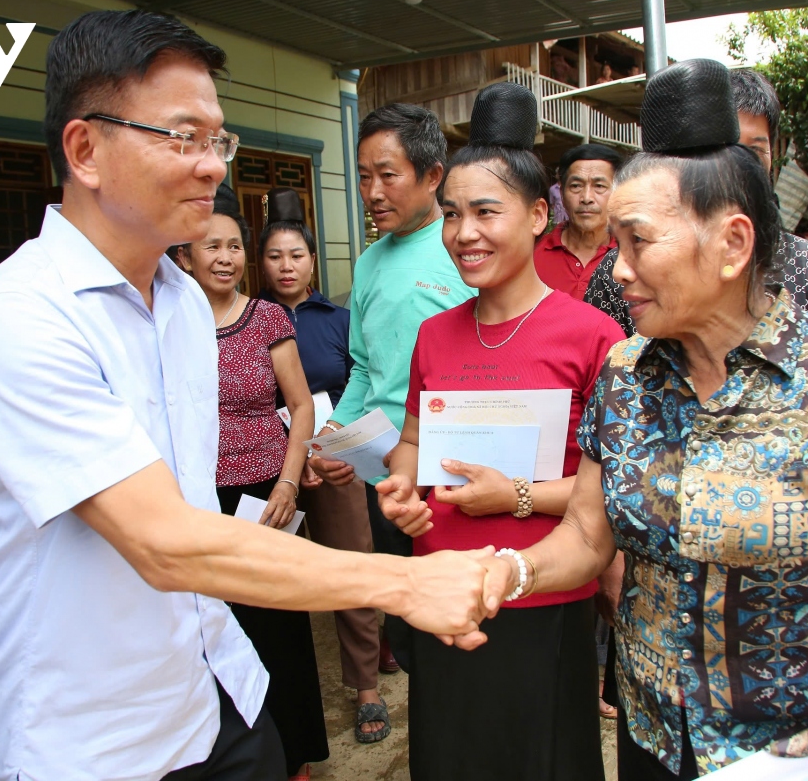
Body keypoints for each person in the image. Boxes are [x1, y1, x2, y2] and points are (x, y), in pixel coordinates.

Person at [0, 10, 497, 781]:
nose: (213, 167)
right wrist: (403, 582)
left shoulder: (177, 298)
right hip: (90, 735)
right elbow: (165, 541)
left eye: (218, 140)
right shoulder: (21, 320)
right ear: (85, 149)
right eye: (183, 137)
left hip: (212, 690)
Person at [469, 59, 808, 781]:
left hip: (800, 758)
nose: (618, 269)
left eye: (639, 243)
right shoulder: (625, 374)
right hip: (654, 740)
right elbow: (585, 534)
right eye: (615, 246)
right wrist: (509, 570)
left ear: (732, 243)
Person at [376, 83, 625, 781]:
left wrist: (514, 496)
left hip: (545, 592)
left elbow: (609, 493)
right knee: (451, 755)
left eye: (486, 211)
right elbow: (415, 445)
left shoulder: (594, 337)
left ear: (539, 215)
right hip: (443, 590)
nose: (464, 233)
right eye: (452, 214)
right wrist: (401, 486)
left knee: (541, 758)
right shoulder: (435, 334)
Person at [308, 103, 476, 672]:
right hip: (386, 478)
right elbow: (363, 368)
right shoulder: (370, 262)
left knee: (463, 615)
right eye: (362, 176)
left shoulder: (465, 252)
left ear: (432, 176)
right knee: (409, 627)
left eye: (387, 174)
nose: (372, 191)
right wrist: (332, 435)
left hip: (458, 475)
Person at [186, 185, 329, 781]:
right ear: (184, 256)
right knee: (215, 628)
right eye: (209, 246)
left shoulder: (267, 317)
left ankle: (293, 752)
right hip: (196, 497)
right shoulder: (170, 318)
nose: (224, 257)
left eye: (233, 246)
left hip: (267, 490)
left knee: (278, 621)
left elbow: (299, 407)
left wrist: (289, 485)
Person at [255, 187, 389, 744]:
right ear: (258, 263)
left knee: (351, 567)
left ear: (313, 261)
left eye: (297, 255)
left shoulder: (336, 318)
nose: (286, 266)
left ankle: (366, 689)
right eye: (274, 256)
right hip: (272, 466)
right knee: (268, 584)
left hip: (330, 459)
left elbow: (360, 380)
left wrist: (324, 449)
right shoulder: (247, 321)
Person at [584, 70, 808, 336]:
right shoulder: (616, 278)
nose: (736, 169)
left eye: (753, 152)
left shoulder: (805, 265)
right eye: (723, 151)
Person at [730, 68, 808, 326]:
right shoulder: (645, 272)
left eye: (755, 150)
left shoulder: (806, 264)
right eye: (731, 148)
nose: (742, 164)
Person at [534, 143, 623, 299]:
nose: (587, 198)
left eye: (599, 186)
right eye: (576, 186)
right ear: (561, 193)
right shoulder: (533, 255)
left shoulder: (630, 258)